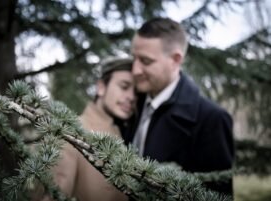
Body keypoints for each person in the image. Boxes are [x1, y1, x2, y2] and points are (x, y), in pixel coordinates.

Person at [122, 17, 234, 195]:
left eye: (146, 61)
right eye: (133, 58)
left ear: (175, 60)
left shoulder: (211, 119)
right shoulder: (128, 101)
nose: (135, 70)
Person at [38, 57, 135, 201]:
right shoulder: (70, 132)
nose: (132, 97)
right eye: (124, 87)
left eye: (136, 93)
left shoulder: (124, 134)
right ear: (101, 87)